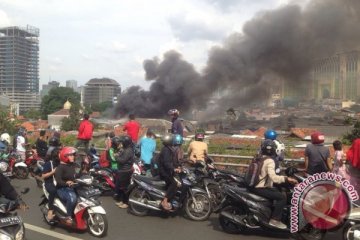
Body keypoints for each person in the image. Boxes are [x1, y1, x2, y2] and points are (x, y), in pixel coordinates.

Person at [250, 139, 298, 229]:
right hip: (260, 187)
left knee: (276, 191)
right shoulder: (270, 161)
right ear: (274, 150)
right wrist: (287, 179)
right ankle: (275, 220)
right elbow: (274, 177)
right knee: (282, 197)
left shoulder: (258, 157)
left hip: (254, 185)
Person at [158, 134, 182, 211]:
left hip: (166, 171)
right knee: (174, 183)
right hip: (164, 172)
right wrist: (173, 169)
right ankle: (164, 201)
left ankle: (169, 198)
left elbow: (172, 161)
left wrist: (177, 166)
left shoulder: (168, 149)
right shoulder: (166, 150)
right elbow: (166, 162)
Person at [54, 147, 77, 225]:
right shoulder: (60, 167)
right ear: (65, 156)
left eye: (73, 155)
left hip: (72, 186)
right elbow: (58, 181)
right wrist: (66, 183)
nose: (72, 156)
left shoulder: (73, 165)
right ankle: (68, 216)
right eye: (70, 155)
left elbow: (78, 174)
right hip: (62, 189)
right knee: (72, 198)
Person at [41, 137, 61, 221]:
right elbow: (43, 176)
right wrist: (53, 172)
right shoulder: (49, 163)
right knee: (53, 191)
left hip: (59, 181)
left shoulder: (61, 163)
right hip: (49, 182)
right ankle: (50, 210)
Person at [114, 135, 135, 209]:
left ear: (125, 143)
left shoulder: (128, 150)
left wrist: (116, 157)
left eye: (122, 142)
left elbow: (122, 160)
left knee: (125, 188)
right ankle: (122, 200)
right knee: (121, 187)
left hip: (125, 171)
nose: (121, 143)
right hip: (122, 170)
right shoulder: (126, 148)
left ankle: (126, 202)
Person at [346, 138, 360, 203]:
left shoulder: (356, 141)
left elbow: (349, 155)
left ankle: (355, 200)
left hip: (355, 169)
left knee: (355, 184)